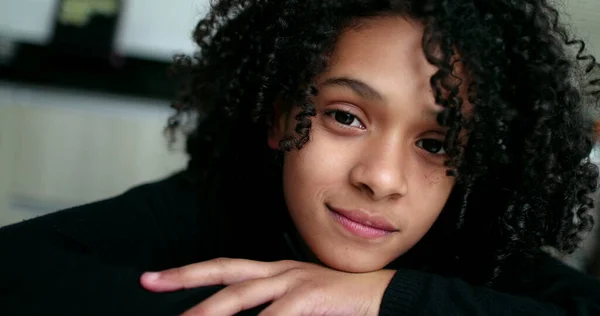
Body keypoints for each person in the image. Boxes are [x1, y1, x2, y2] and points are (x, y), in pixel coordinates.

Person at [2, 0, 600, 315]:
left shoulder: (479, 249)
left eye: (437, 144)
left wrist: (388, 299)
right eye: (346, 116)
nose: (381, 179)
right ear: (283, 115)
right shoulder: (215, 204)